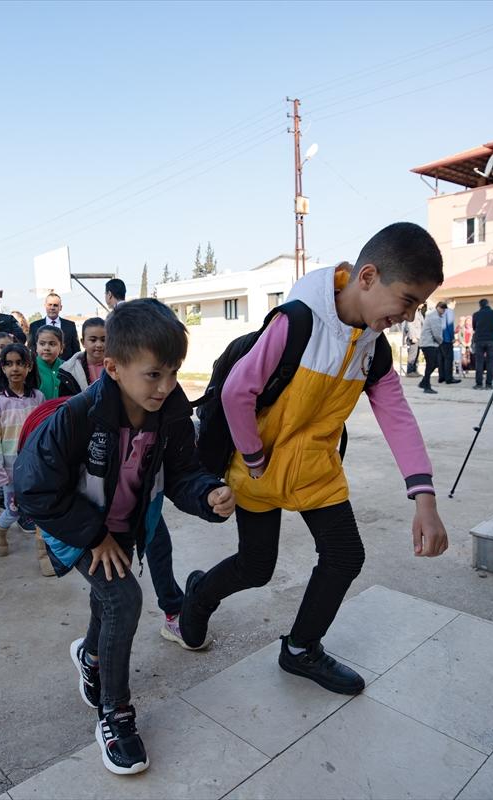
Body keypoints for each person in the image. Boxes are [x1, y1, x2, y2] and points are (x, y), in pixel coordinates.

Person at [175, 224, 450, 698]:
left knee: (346, 556)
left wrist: (424, 497)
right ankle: (198, 595)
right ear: (367, 277)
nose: (407, 316)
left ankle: (301, 649)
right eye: (406, 300)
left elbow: (397, 417)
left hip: (317, 470)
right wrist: (255, 456)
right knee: (256, 567)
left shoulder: (373, 349)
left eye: (417, 306)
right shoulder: (298, 321)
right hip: (257, 470)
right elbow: (239, 390)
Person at [15, 299, 236, 776]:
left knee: (106, 599)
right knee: (123, 598)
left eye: (173, 373)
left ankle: (91, 655)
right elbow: (32, 490)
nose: (166, 387)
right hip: (76, 528)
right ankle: (114, 714)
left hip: (124, 526)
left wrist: (208, 494)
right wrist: (94, 537)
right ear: (112, 368)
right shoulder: (76, 416)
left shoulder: (172, 416)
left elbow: (182, 474)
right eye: (153, 375)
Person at [0, 343, 44, 557]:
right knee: (14, 509)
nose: (15, 368)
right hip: (10, 470)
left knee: (41, 509)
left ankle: (43, 553)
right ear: (2, 368)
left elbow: (43, 433)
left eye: (20, 363)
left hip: (35, 467)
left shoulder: (38, 398)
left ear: (29, 366)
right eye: (9, 364)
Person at [28, 293, 80, 361]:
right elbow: (32, 349)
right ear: (45, 306)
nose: (52, 308)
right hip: (42, 368)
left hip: (65, 367)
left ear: (60, 307)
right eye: (50, 305)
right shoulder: (34, 326)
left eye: (55, 305)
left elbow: (76, 350)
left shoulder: (70, 325)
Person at [60, 317, 107, 393]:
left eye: (103, 340)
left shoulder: (120, 366)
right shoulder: (69, 371)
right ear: (83, 342)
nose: (99, 345)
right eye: (93, 340)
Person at [418, 301, 446, 394]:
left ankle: (423, 382)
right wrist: (441, 341)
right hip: (429, 344)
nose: (443, 310)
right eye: (442, 308)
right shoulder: (434, 317)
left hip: (428, 343)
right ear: (438, 307)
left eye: (444, 308)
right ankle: (427, 386)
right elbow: (436, 333)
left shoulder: (434, 316)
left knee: (433, 364)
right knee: (432, 364)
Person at [33, 325, 68, 400]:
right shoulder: (30, 368)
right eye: (42, 344)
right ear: (36, 346)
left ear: (61, 348)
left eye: (52, 344)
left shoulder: (67, 368)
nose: (46, 348)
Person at [472, 298, 493, 389]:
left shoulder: (476, 315)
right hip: (491, 340)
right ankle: (489, 384)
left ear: (480, 305)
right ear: (488, 304)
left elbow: (474, 327)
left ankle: (479, 384)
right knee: (490, 362)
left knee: (479, 362)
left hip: (479, 340)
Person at [439, 300, 458, 384]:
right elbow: (450, 325)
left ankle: (441, 377)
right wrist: (452, 337)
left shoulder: (439, 312)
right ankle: (449, 378)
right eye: (455, 303)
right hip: (446, 339)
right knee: (448, 359)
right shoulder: (449, 311)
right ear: (451, 303)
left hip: (439, 339)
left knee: (441, 359)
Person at [402, 307, 423, 376]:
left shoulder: (419, 312)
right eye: (422, 303)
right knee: (412, 355)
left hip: (418, 337)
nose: (423, 305)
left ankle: (414, 370)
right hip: (413, 337)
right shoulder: (412, 312)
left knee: (416, 355)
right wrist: (413, 337)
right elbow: (410, 325)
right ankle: (410, 372)